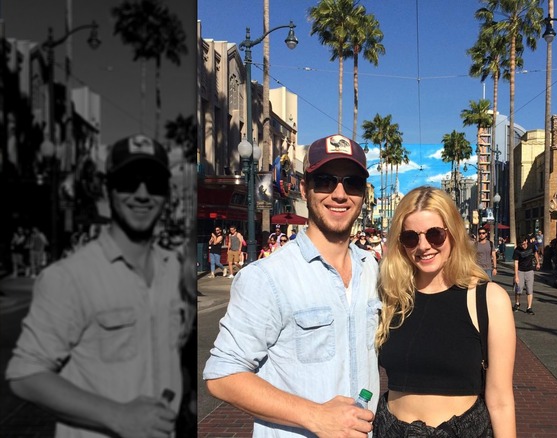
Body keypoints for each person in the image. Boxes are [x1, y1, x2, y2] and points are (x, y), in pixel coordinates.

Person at [6, 134, 194, 438]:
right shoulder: (69, 276)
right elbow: (24, 374)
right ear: (109, 189)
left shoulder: (175, 271)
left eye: (154, 183)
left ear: (166, 193)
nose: (142, 193)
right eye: (129, 181)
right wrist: (117, 416)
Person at [203, 133, 380, 436]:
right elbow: (222, 375)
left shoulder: (371, 268)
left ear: (362, 194)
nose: (340, 194)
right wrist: (315, 416)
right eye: (325, 180)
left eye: (351, 183)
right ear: (304, 187)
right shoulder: (267, 276)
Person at [374, 186, 516, 437]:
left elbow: (501, 401)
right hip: (390, 430)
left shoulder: (488, 299)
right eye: (410, 237)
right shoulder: (390, 296)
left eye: (435, 234)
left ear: (453, 234)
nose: (423, 246)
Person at [513, 236, 540, 314]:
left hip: (529, 270)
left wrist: (537, 263)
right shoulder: (517, 250)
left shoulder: (531, 246)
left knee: (529, 289)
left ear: (526, 241)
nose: (523, 246)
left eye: (524, 244)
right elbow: (516, 263)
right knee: (518, 288)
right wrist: (516, 276)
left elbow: (535, 253)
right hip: (520, 270)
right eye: (521, 245)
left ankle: (529, 307)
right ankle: (517, 303)